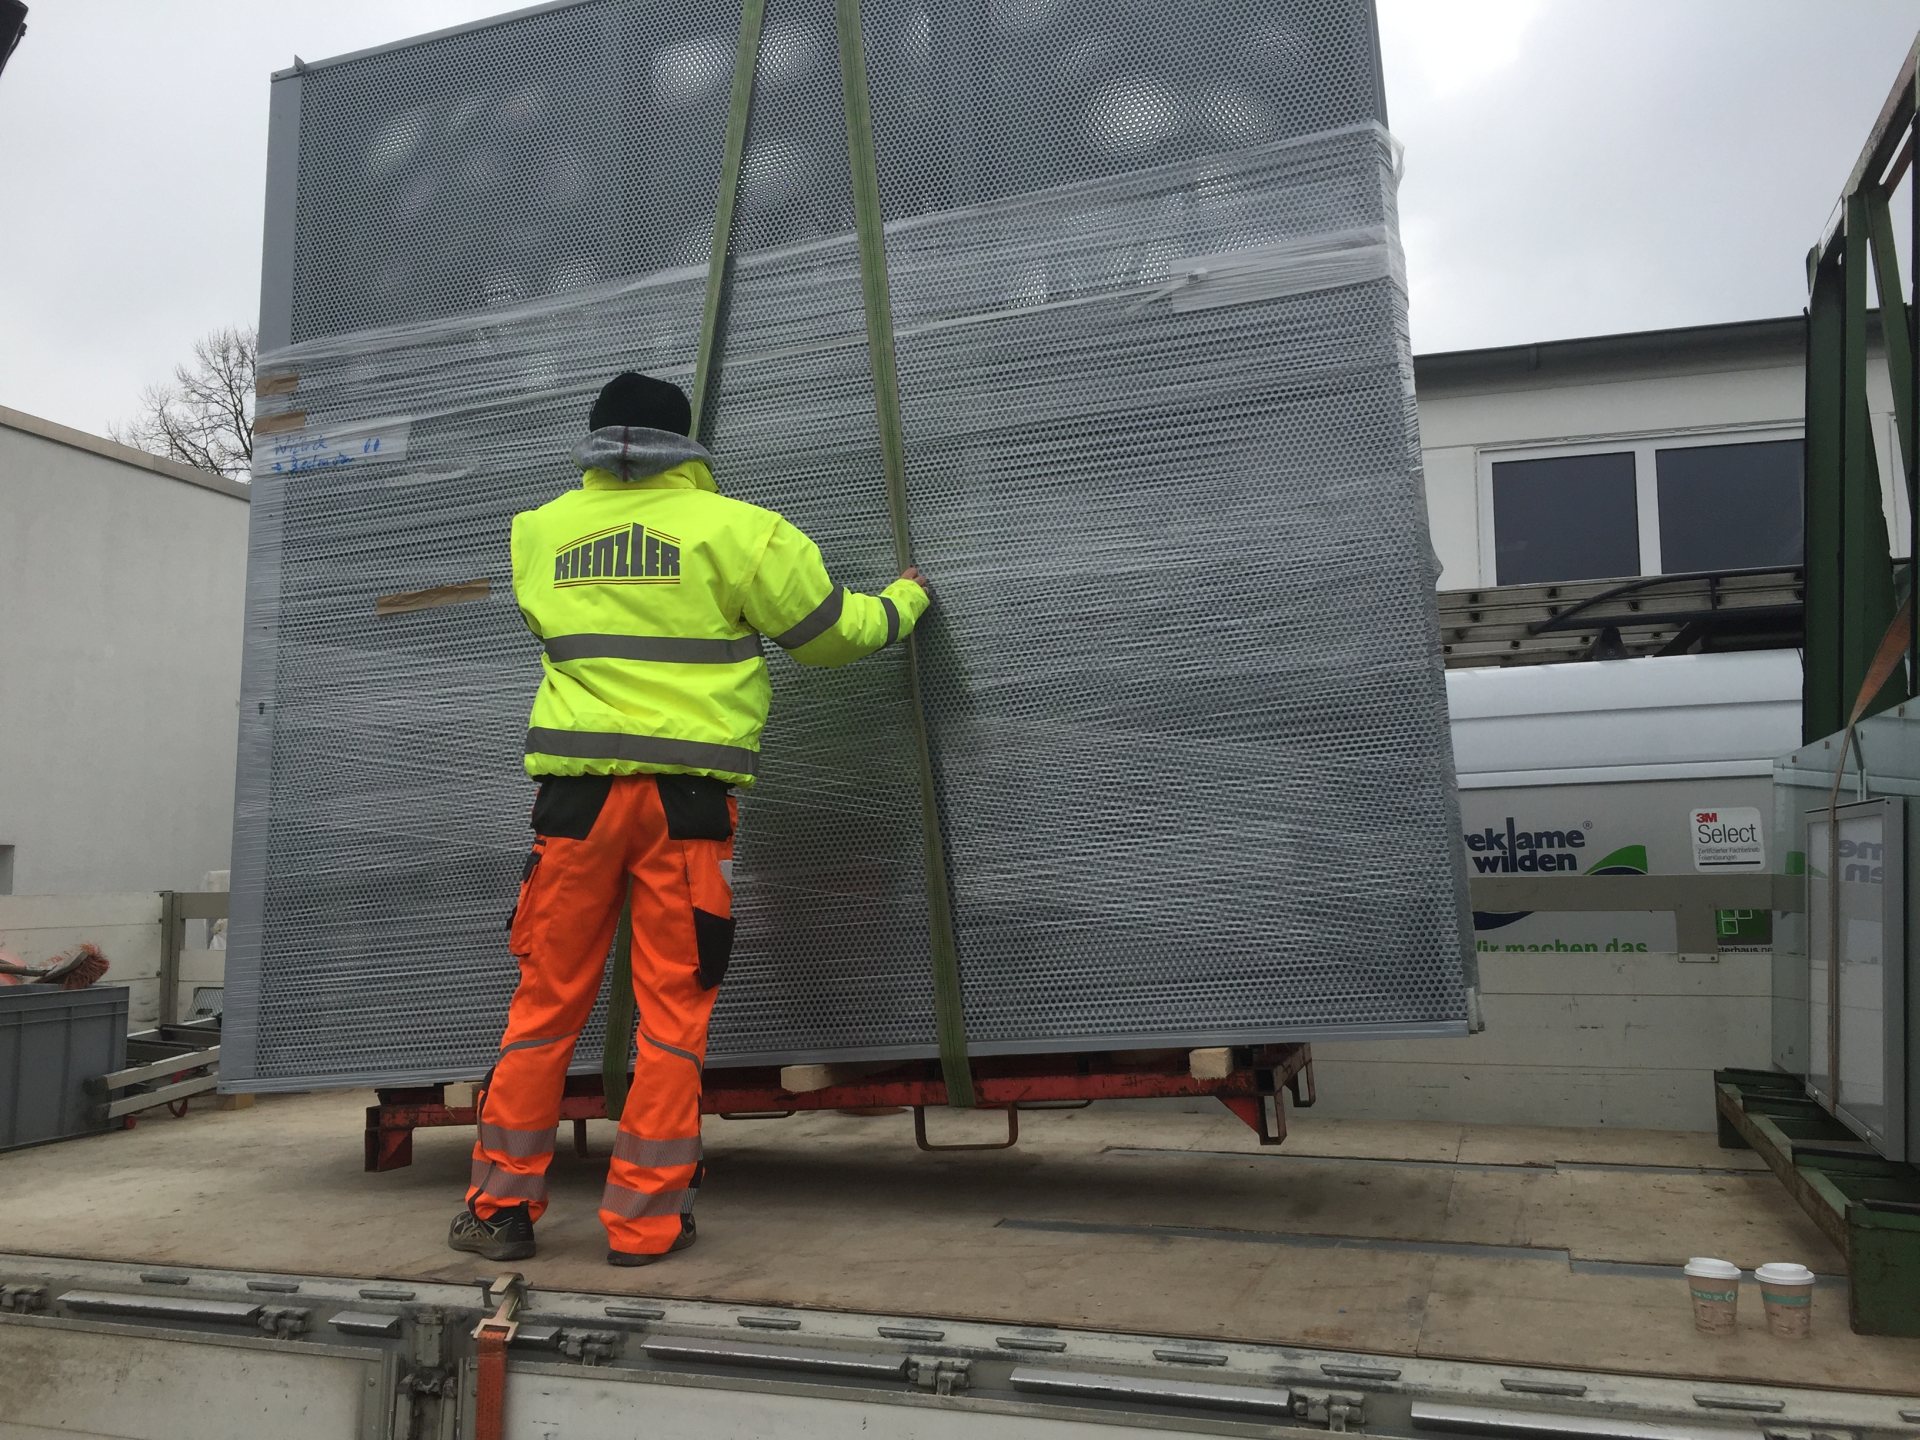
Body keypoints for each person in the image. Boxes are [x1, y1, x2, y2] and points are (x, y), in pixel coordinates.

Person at [450, 371, 931, 1266]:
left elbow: (552, 633)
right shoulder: (741, 533)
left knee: (546, 1005)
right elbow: (831, 637)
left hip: (574, 806)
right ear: (688, 449)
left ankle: (496, 1213)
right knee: (672, 1015)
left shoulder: (537, 533)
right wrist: (905, 603)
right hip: (686, 811)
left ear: (595, 446)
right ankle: (644, 1224)